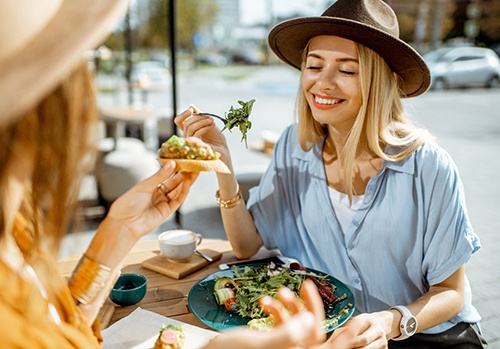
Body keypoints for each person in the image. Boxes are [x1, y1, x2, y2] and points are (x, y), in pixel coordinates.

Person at [0, 1, 364, 348]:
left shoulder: (14, 233)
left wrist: (119, 230)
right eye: (80, 64)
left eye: (347, 69)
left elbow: (60, 328)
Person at [175, 0, 487, 347]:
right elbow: (247, 247)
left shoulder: (427, 166)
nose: (322, 84)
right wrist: (224, 167)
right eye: (314, 66)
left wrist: (391, 321)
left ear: (380, 81)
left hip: (427, 335)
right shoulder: (292, 147)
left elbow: (451, 292)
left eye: (347, 70)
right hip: (338, 339)